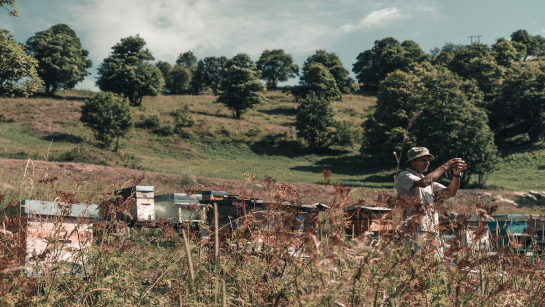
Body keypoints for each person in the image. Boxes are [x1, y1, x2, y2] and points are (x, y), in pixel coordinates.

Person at [395, 147, 467, 254]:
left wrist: (456, 174)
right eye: (423, 160)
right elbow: (424, 182)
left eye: (428, 160)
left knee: (436, 265)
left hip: (432, 230)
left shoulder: (428, 180)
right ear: (412, 161)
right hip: (415, 231)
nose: (427, 163)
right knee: (419, 264)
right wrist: (445, 166)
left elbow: (450, 192)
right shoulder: (404, 176)